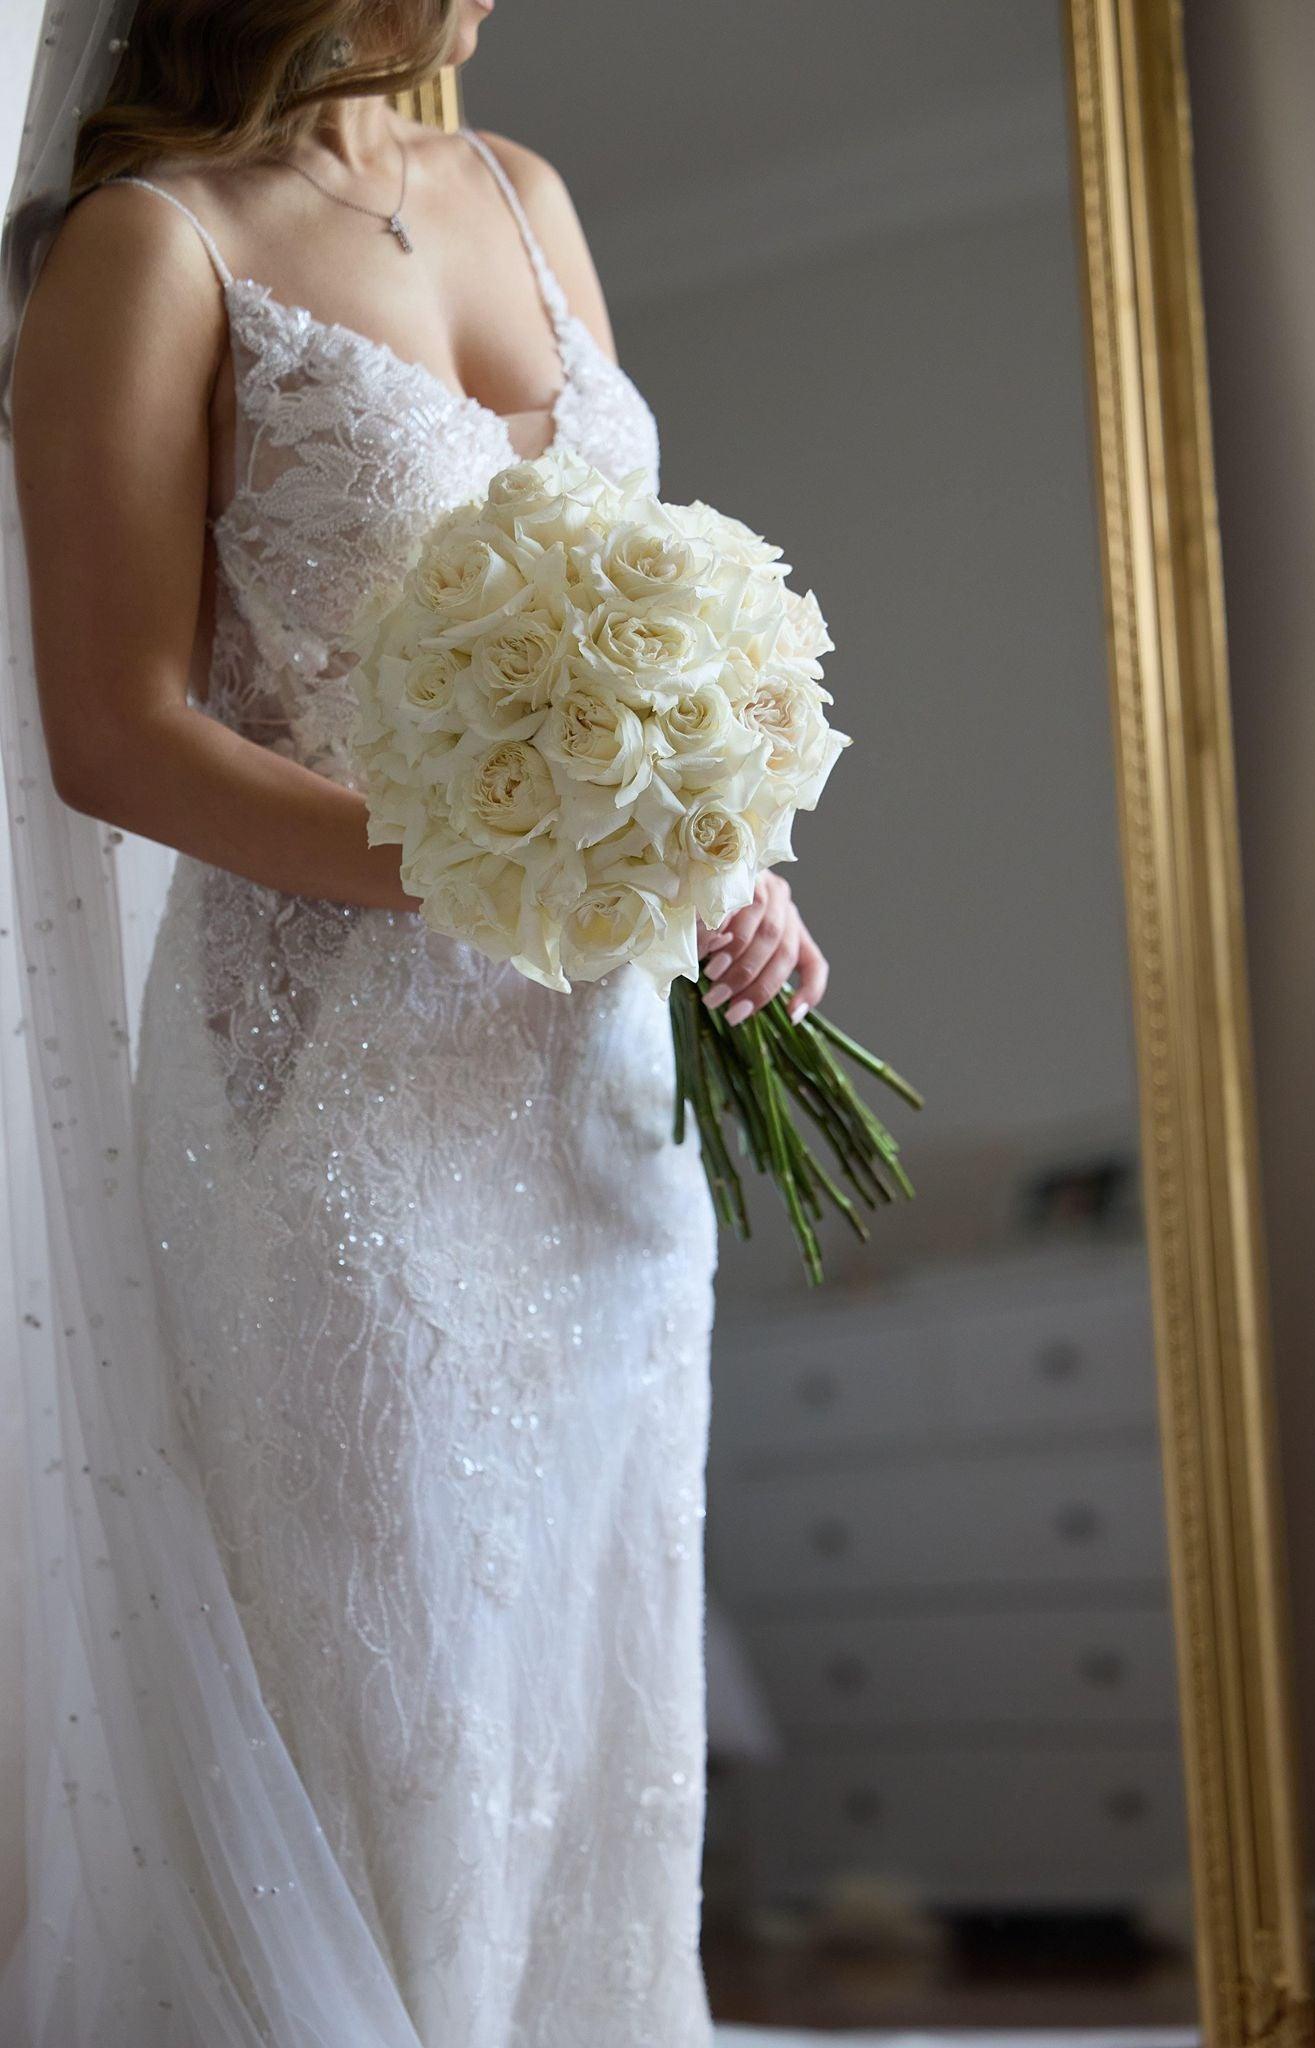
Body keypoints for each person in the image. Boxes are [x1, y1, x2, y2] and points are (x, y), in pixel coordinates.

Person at [0, 1, 828, 2042]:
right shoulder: (152, 245)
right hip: (330, 1093)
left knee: (590, 1638)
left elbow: (640, 593)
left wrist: (720, 858)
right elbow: (117, 731)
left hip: (594, 1087)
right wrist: (497, 865)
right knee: (396, 1664)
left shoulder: (518, 190)